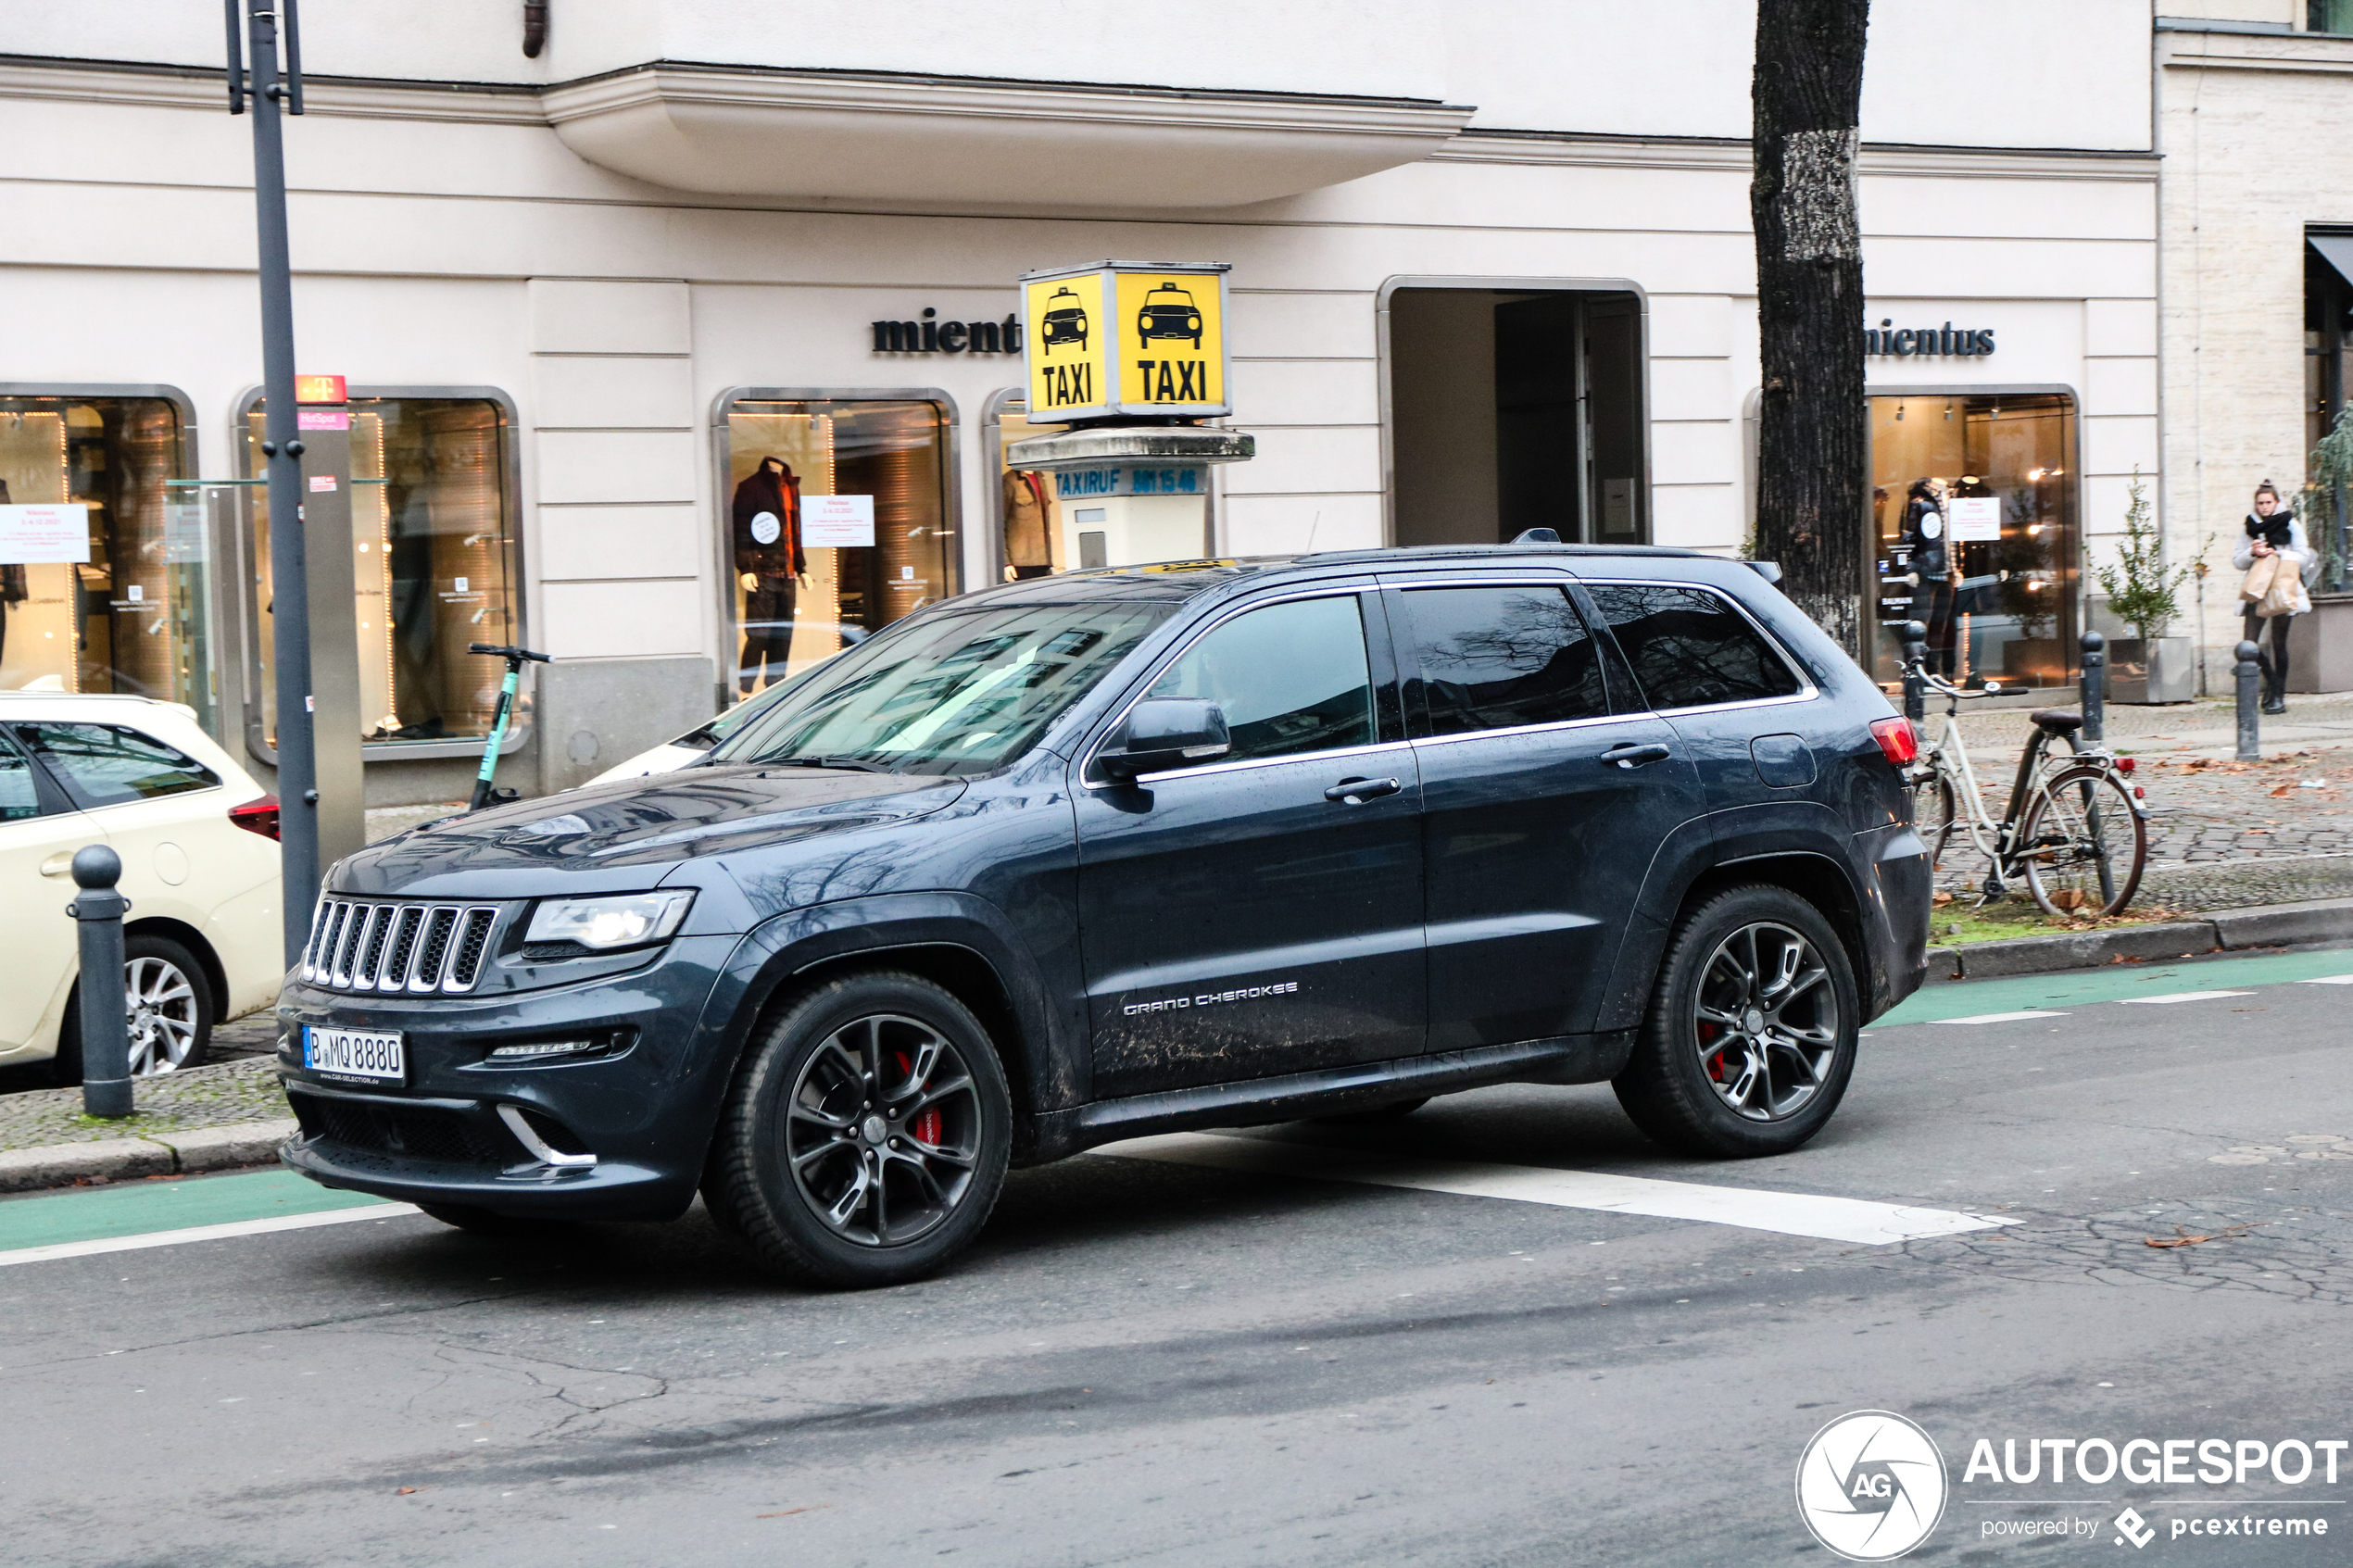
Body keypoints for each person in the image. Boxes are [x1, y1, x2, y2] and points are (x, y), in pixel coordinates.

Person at [2233, 480, 2314, 715]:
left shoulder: (2290, 523)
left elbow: (2304, 556)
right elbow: (2237, 560)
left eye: (2268, 502)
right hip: (2257, 589)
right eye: (2260, 503)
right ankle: (2272, 682)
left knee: (2279, 642)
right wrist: (2253, 551)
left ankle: (2278, 697)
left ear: (2276, 502)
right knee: (2248, 644)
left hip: (2282, 588)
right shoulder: (2249, 527)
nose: (2264, 507)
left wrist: (2278, 553)